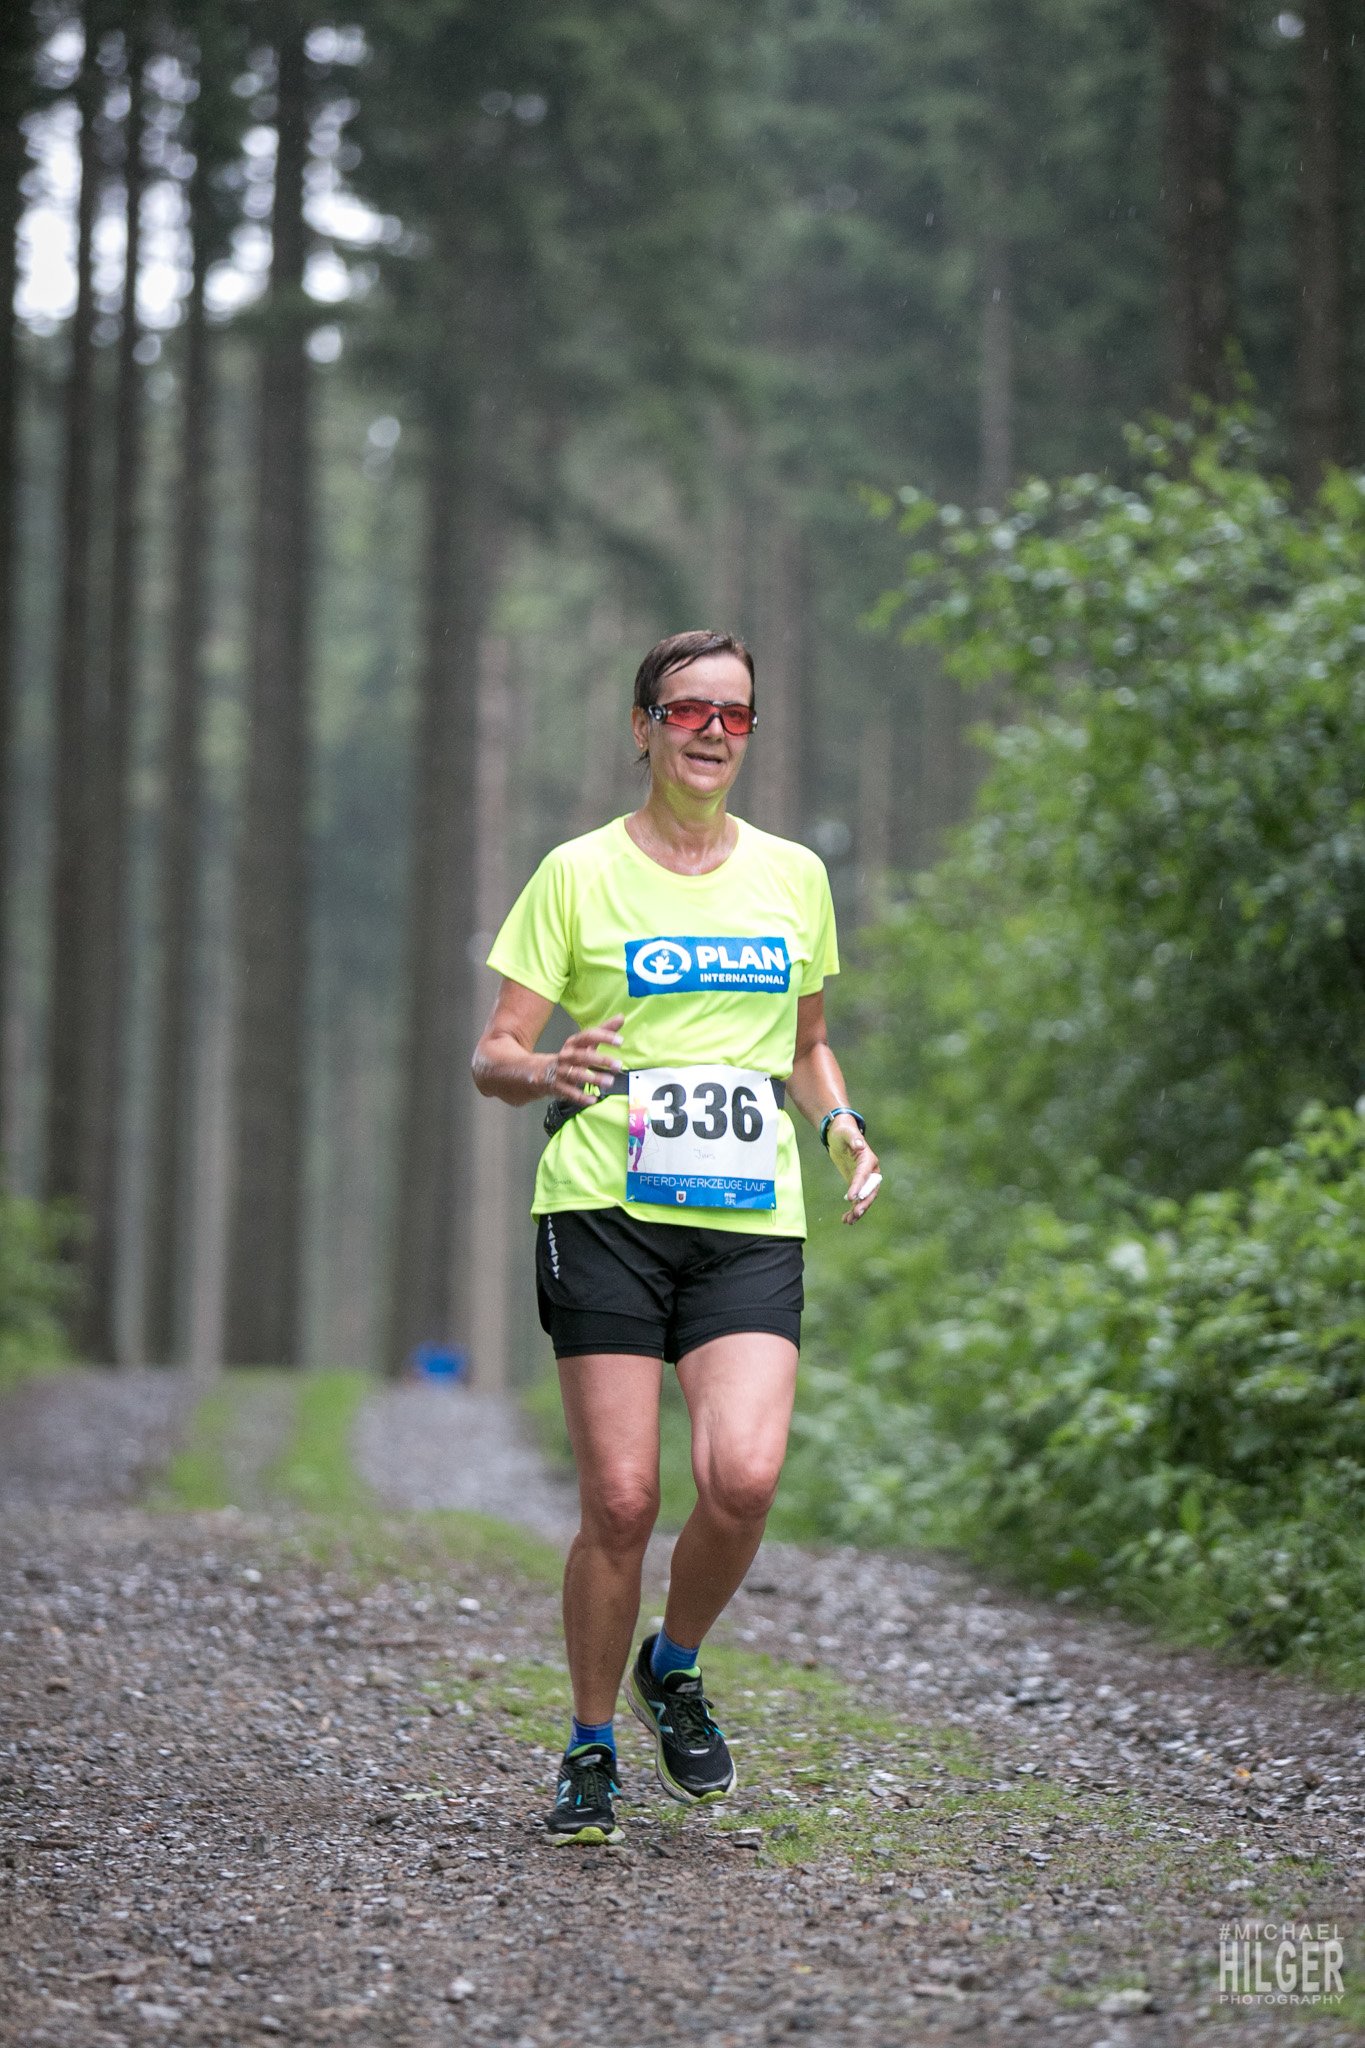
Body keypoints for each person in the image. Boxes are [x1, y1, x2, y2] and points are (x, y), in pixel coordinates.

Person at [471, 628, 882, 1846]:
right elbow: (494, 1053)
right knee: (622, 1497)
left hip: (747, 1217)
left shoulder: (793, 875)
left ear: (750, 733)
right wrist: (545, 1066)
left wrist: (841, 1121)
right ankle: (591, 1745)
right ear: (643, 725)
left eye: (734, 713)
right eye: (689, 708)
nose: (712, 730)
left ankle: (676, 1661)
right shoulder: (577, 873)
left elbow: (808, 1043)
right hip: (603, 1209)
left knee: (743, 1478)